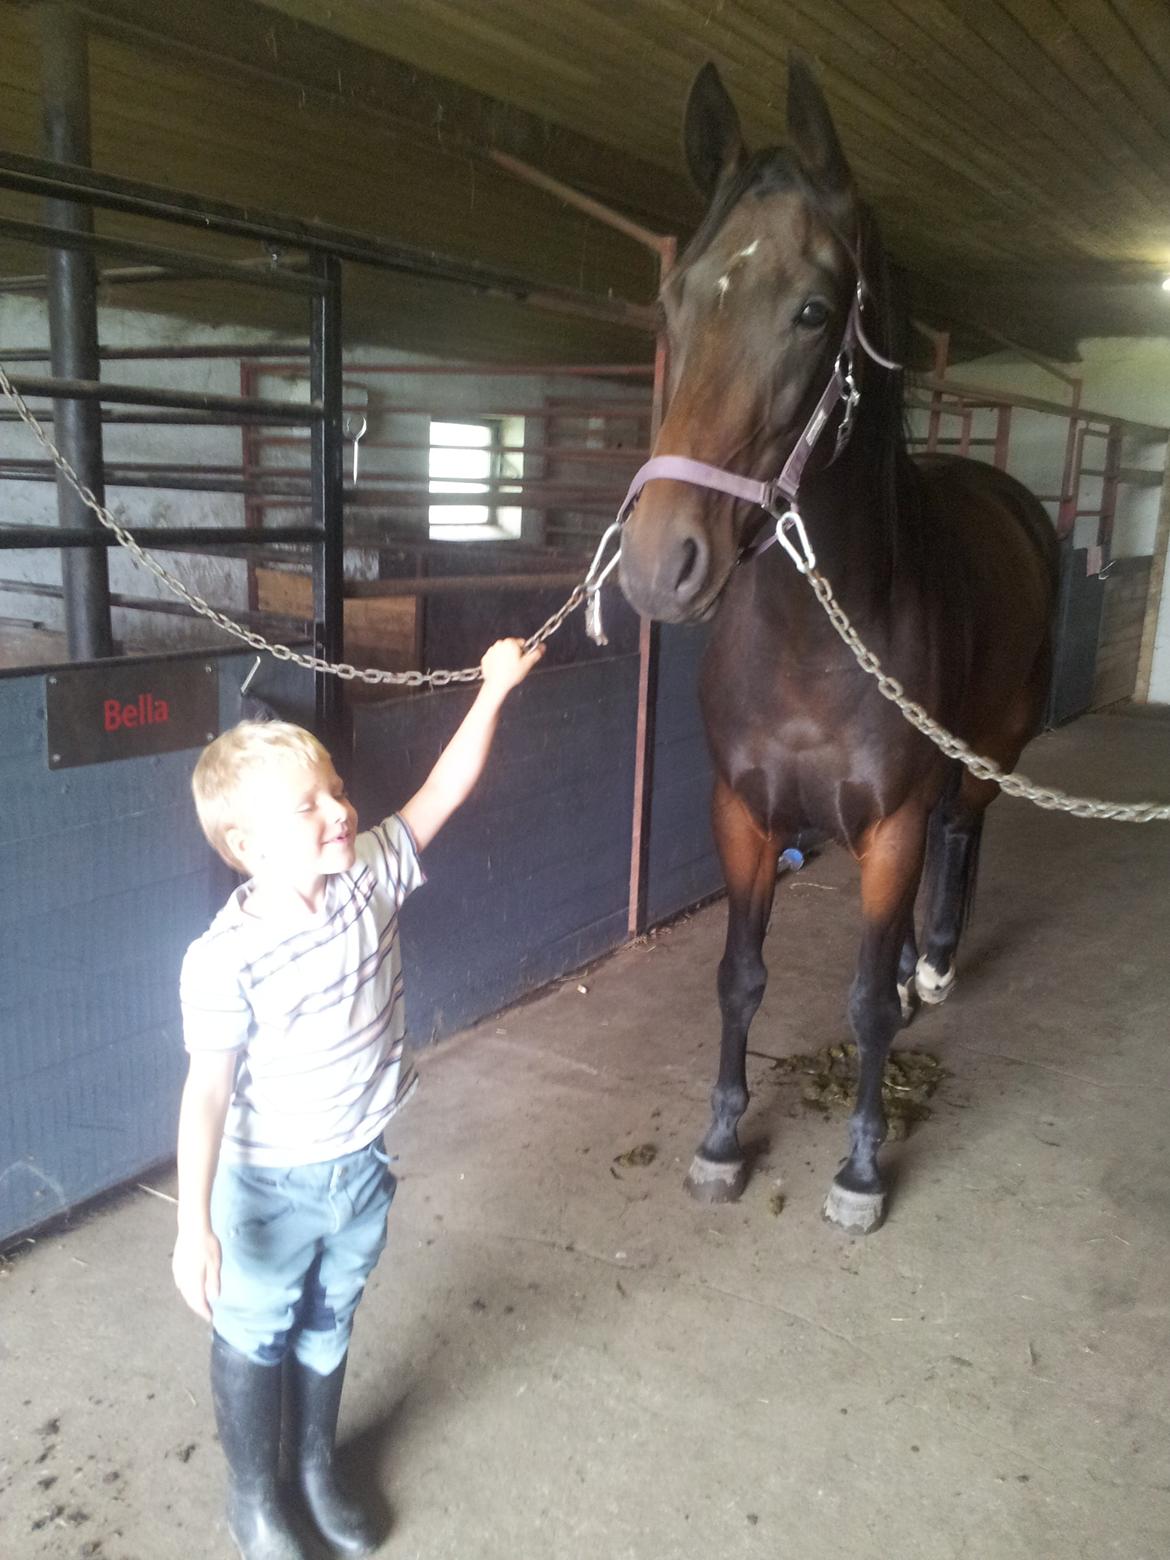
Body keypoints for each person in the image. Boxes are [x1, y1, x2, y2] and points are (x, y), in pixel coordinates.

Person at [172, 638, 543, 1560]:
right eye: (311, 805)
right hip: (264, 1191)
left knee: (333, 1315)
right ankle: (255, 1498)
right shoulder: (224, 958)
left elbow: (442, 792)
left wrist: (492, 691)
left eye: (336, 789)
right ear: (248, 845)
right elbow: (207, 1092)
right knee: (256, 1331)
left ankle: (311, 1469)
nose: (341, 810)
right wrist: (194, 1222)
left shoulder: (370, 872)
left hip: (361, 1163)